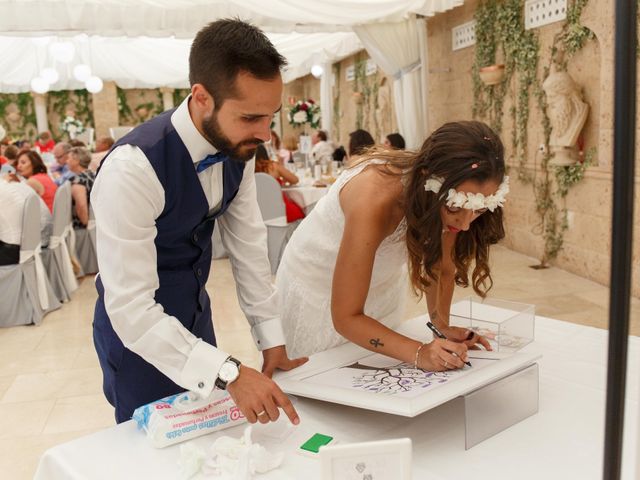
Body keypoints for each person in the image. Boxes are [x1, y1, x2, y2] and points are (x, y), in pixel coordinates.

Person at [91, 19, 307, 425]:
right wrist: (228, 371)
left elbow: (248, 245)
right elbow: (130, 307)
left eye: (271, 117)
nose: (264, 133)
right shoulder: (132, 170)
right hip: (137, 338)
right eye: (250, 118)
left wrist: (270, 337)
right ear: (202, 97)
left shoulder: (238, 149)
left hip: (196, 324)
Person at [276, 121, 507, 371]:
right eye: (454, 208)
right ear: (427, 180)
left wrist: (441, 328)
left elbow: (442, 266)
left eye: (479, 211)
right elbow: (345, 317)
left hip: (380, 286)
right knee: (320, 378)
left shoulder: (450, 202)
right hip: (316, 287)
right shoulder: (374, 198)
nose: (464, 225)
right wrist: (420, 352)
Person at [254, 144, 305, 223]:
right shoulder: (273, 166)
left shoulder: (247, 171)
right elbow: (295, 180)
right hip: (282, 211)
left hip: (258, 215)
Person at [67, 147, 96, 229]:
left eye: (69, 158)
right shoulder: (92, 174)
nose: (67, 161)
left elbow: (81, 206)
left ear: (76, 161)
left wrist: (89, 227)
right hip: (96, 222)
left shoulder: (78, 180)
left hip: (83, 230)